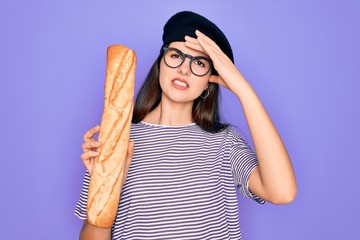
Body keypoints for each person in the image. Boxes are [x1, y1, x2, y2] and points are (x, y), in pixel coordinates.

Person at [74, 11, 297, 240]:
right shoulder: (117, 141)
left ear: (209, 83)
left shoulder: (225, 142)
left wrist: (243, 90)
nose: (184, 69)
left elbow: (282, 192)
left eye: (199, 63)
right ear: (161, 63)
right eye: (175, 55)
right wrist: (107, 185)